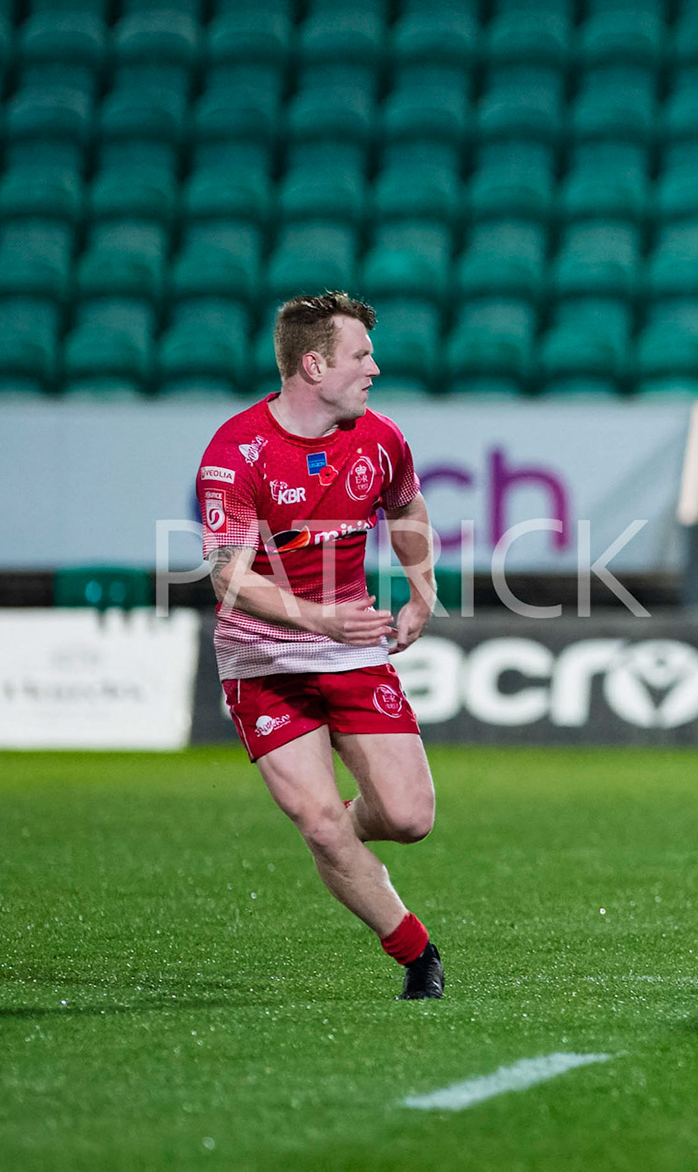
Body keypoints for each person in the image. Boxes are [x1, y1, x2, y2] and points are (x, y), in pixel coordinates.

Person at [195, 291, 446, 999]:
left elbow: (407, 508)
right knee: (317, 821)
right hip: (262, 662)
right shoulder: (235, 454)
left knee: (408, 818)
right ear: (314, 365)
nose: (374, 368)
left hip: (351, 651)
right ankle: (417, 955)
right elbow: (229, 578)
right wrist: (320, 619)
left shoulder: (381, 438)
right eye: (361, 355)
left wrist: (422, 591)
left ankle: (338, 836)